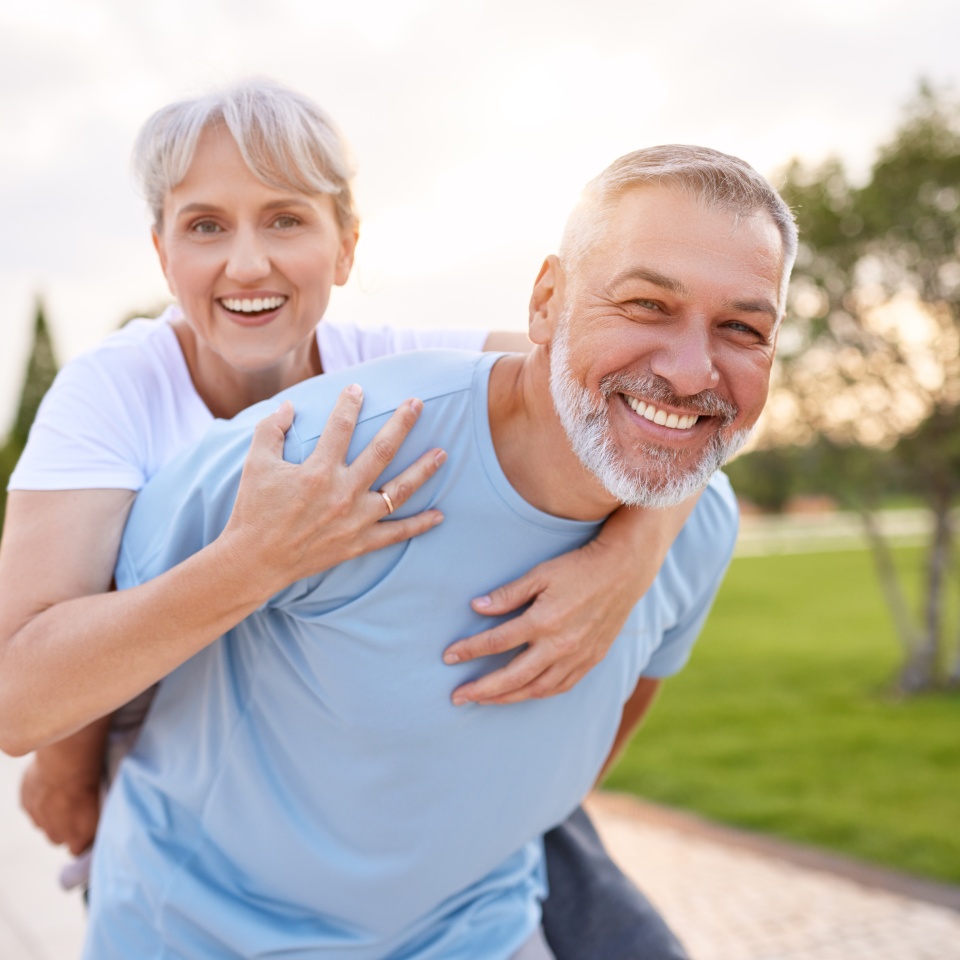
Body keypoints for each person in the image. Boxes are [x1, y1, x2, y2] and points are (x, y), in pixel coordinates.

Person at [27, 142, 794, 958]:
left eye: (742, 327)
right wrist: (68, 777)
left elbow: (572, 762)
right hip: (208, 936)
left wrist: (633, 555)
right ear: (547, 302)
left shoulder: (695, 525)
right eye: (645, 304)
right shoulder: (305, 459)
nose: (692, 371)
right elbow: (43, 689)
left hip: (478, 932)